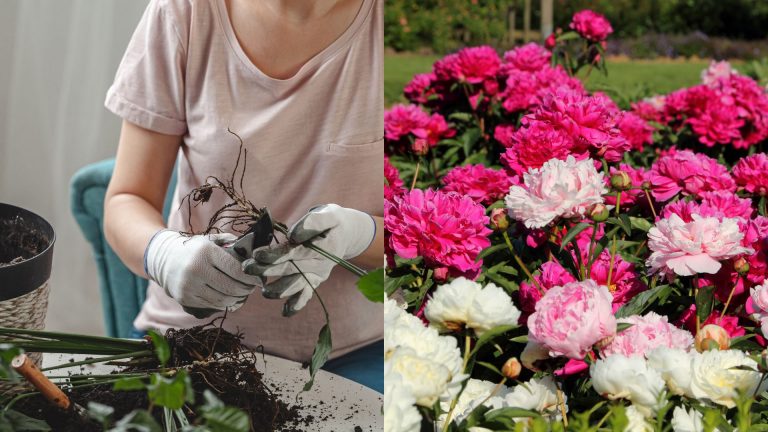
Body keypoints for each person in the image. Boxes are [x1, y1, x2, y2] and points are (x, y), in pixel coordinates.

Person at [103, 0, 383, 392]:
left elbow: (445, 234)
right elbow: (126, 200)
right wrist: (165, 253)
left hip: (358, 354)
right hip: (193, 346)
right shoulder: (184, 13)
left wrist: (362, 236)